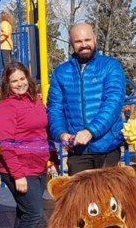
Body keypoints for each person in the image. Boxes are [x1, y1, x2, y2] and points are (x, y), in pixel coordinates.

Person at [0, 62, 58, 228]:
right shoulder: (5, 107)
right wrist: (18, 175)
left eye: (22, 78)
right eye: (14, 81)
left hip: (38, 166)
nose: (20, 83)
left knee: (25, 212)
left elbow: (45, 133)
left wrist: (53, 160)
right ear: (7, 84)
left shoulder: (36, 101)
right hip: (18, 168)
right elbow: (6, 144)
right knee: (34, 213)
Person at [47, 22, 126, 175]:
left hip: (107, 146)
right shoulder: (61, 72)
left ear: (95, 39)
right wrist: (61, 133)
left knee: (108, 197)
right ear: (71, 44)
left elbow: (113, 103)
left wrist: (91, 131)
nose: (84, 45)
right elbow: (55, 107)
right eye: (78, 42)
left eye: (87, 40)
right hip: (78, 150)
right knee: (80, 197)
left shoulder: (111, 67)